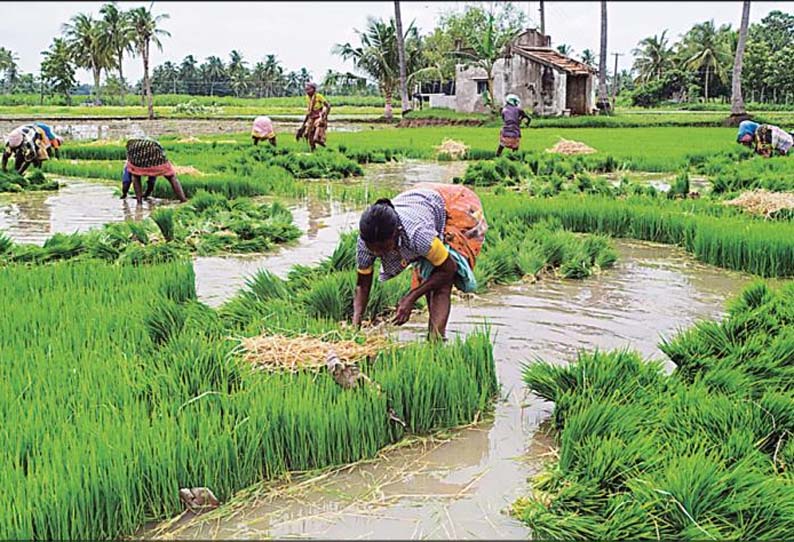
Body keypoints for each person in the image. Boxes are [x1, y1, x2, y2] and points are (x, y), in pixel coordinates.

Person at [353, 182, 488, 340]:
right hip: (421, 200)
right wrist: (356, 325)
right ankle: (434, 336)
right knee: (426, 273)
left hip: (454, 204)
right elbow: (362, 285)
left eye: (383, 248)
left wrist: (411, 298)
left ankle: (435, 342)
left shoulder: (418, 234)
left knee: (442, 281)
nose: (377, 253)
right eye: (373, 249)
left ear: (397, 233)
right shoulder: (365, 242)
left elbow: (448, 268)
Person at [124, 137, 187, 204]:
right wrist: (146, 194)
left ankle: (139, 203)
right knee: (171, 176)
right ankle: (183, 200)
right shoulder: (151, 150)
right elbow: (152, 178)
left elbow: (126, 181)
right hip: (156, 154)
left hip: (136, 151)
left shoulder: (130, 162)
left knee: (135, 176)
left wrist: (124, 194)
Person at [296, 82, 331, 152]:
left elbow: (328, 106)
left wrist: (324, 117)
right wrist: (303, 124)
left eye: (309, 89)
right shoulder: (308, 98)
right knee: (308, 136)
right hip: (311, 118)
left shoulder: (318, 96)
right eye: (306, 90)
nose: (307, 91)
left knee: (316, 138)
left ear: (314, 89)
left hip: (319, 117)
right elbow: (309, 111)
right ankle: (314, 152)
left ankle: (327, 149)